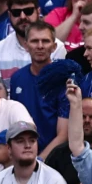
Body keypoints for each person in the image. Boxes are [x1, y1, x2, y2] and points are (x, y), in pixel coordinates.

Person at [8, 21, 69, 158]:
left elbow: (63, 134)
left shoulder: (64, 81)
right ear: (26, 45)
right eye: (35, 41)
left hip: (55, 158)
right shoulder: (17, 78)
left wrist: (39, 160)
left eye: (45, 41)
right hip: (23, 156)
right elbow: (15, 123)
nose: (40, 46)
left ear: (54, 47)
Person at [0, 0, 67, 87]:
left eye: (28, 11)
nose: (22, 17)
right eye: (16, 13)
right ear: (9, 15)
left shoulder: (57, 48)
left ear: (38, 12)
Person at [0, 121, 68, 184]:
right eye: (20, 141)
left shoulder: (53, 181)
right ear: (9, 148)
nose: (27, 145)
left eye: (32, 141)